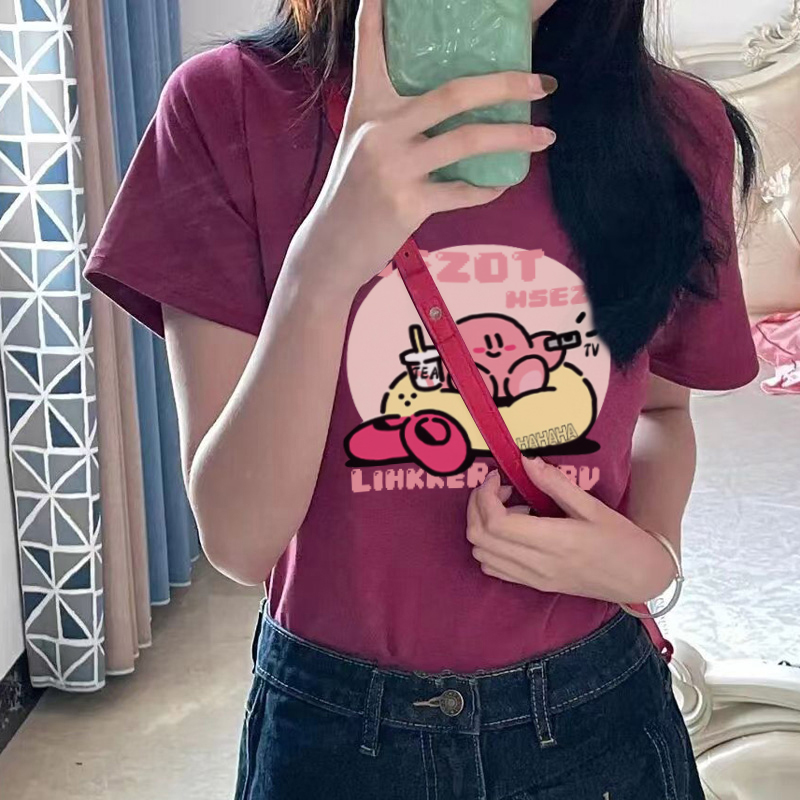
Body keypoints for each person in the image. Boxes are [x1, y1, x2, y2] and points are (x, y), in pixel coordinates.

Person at [84, 0, 760, 797]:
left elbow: (662, 412)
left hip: (596, 707)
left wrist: (653, 552)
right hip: (334, 729)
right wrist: (322, 264)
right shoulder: (228, 106)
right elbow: (239, 540)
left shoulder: (674, 129)